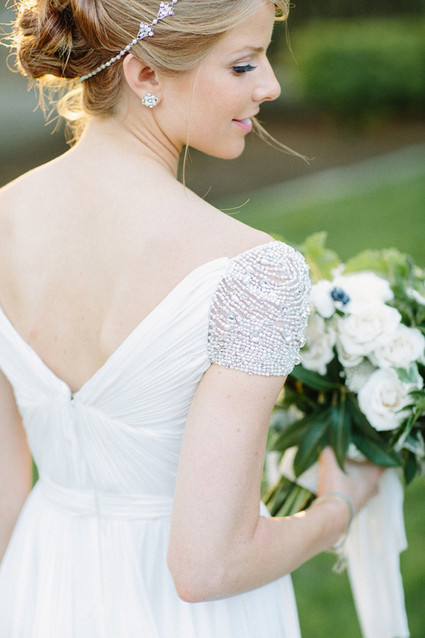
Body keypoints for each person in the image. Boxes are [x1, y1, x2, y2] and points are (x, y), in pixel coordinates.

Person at [0, 0, 382, 636]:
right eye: (243, 64)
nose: (271, 86)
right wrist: (340, 505)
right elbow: (208, 567)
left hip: (37, 589)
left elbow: (4, 490)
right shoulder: (254, 273)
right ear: (146, 74)